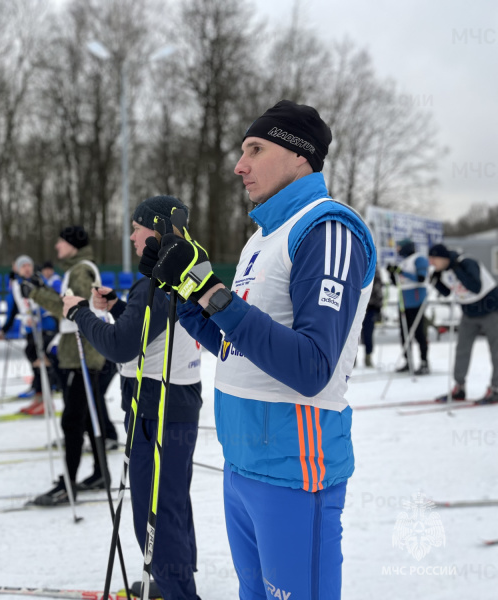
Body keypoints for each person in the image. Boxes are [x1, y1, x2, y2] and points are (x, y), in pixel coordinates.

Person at [144, 100, 376, 600]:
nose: (239, 165)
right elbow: (234, 346)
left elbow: (312, 366)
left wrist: (212, 294)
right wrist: (185, 297)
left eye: (255, 149)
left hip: (296, 469)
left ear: (300, 157)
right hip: (242, 462)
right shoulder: (260, 239)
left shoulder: (327, 228)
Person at [62, 195, 203, 600]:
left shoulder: (156, 275)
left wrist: (80, 314)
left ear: (155, 229)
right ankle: (174, 579)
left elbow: (122, 346)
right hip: (175, 400)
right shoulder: (185, 262)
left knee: (153, 508)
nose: (131, 236)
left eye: (137, 228)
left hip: (155, 406)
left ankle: (178, 590)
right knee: (171, 499)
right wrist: (120, 306)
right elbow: (155, 324)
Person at [22, 226, 109, 505]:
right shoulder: (78, 269)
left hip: (83, 355)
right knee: (85, 417)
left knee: (72, 420)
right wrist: (41, 290)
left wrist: (37, 294)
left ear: (72, 244)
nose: (57, 246)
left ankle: (68, 484)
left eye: (61, 241)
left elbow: (74, 308)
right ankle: (100, 473)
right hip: (81, 353)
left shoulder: (80, 271)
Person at [428, 243, 498, 404]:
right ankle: (459, 387)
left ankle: (496, 388)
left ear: (444, 258)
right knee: (462, 350)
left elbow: (475, 286)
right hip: (469, 313)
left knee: (495, 351)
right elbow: (447, 292)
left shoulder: (466, 263)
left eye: (434, 259)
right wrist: (436, 281)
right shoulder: (444, 271)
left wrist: (456, 270)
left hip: (491, 310)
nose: (432, 263)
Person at [0, 255, 60, 413]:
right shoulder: (17, 286)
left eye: (29, 265)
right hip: (32, 329)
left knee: (41, 355)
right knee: (32, 354)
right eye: (23, 266)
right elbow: (13, 311)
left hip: (47, 325)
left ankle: (47, 395)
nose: (27, 268)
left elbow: (52, 300)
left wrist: (40, 312)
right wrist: (4, 330)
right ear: (17, 268)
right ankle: (40, 395)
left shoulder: (39, 281)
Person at [386, 238, 430, 374]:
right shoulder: (404, 262)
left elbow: (421, 278)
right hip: (403, 302)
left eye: (399, 247)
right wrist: (392, 273)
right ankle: (408, 361)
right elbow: (398, 282)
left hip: (416, 301)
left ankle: (424, 362)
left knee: (419, 334)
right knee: (404, 334)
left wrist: (400, 271)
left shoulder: (419, 259)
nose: (397, 250)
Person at [360, 267, 384, 367]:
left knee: (368, 333)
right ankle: (352, 358)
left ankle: (368, 356)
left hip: (370, 307)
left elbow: (378, 287)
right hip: (358, 306)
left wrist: (378, 307)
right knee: (353, 334)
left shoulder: (374, 269)